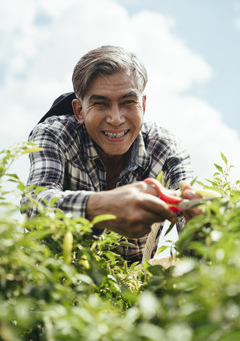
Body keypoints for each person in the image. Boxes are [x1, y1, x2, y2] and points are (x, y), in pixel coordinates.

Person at [22, 45, 200, 264]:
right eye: (100, 104)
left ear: (142, 105)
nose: (116, 118)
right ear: (79, 110)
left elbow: (192, 222)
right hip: (53, 280)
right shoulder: (56, 134)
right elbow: (35, 205)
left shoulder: (165, 148)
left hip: (129, 289)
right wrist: (101, 206)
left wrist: (201, 224)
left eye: (128, 103)